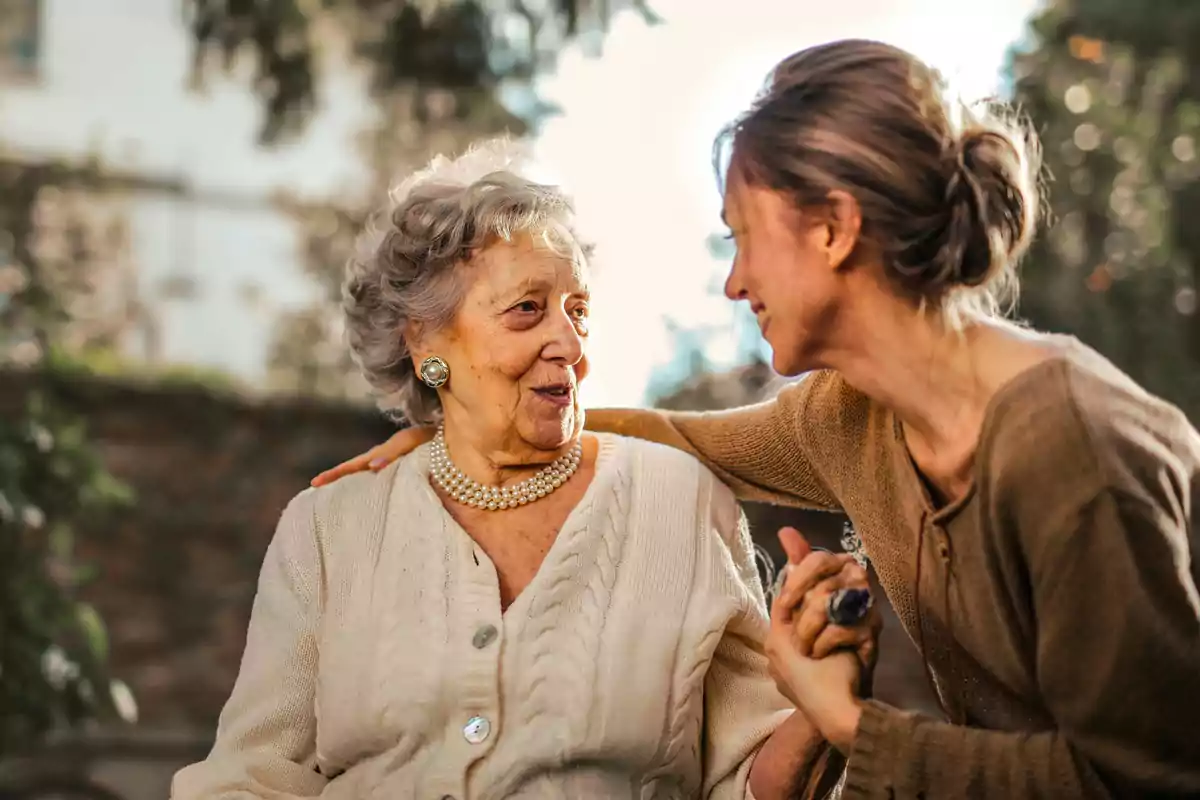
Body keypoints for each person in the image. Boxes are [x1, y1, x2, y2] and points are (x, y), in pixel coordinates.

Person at [313, 39, 1200, 799]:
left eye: (742, 235)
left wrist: (848, 721)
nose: (735, 282)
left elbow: (1145, 779)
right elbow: (674, 436)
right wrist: (462, 426)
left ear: (833, 230)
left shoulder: (1068, 448)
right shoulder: (851, 417)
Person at [172, 142, 864, 800]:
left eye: (579, 311)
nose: (568, 344)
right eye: (527, 310)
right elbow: (250, 778)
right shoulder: (328, 528)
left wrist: (819, 705)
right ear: (425, 342)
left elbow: (751, 783)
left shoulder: (680, 503)